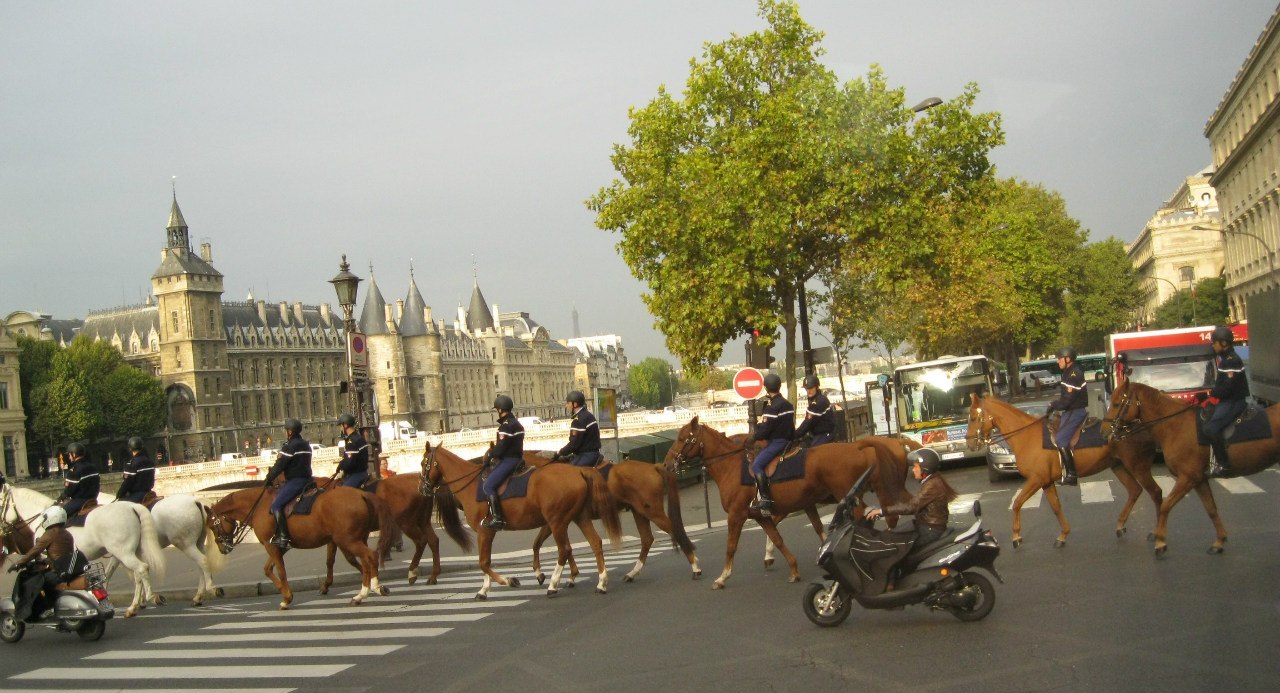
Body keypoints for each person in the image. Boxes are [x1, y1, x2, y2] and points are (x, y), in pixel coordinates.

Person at [6, 506, 86, 621]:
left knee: (35, 582)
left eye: (45, 518)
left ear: (52, 518)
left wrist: (18, 564)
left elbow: (34, 551)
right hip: (68, 568)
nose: (44, 520)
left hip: (58, 571)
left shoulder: (50, 534)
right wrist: (44, 561)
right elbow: (61, 555)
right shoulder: (66, 533)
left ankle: (46, 609)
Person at [865, 448, 958, 545]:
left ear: (925, 468)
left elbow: (911, 507)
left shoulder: (932, 485)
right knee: (889, 535)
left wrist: (882, 511)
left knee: (896, 545)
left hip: (930, 530)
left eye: (915, 467)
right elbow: (914, 504)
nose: (913, 470)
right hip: (924, 525)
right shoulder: (933, 481)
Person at [1201, 325, 1250, 478]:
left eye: (1214, 343)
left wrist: (1212, 393)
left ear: (1224, 343)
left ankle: (1224, 465)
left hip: (1234, 402)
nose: (1213, 345)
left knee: (1211, 429)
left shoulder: (1231, 361)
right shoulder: (1225, 360)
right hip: (1227, 400)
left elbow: (1228, 387)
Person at [263, 418, 313, 550]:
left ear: (290, 432)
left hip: (296, 481)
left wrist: (268, 478)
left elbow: (279, 466)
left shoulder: (290, 446)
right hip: (308, 480)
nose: (285, 432)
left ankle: (284, 536)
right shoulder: (306, 445)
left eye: (286, 430)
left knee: (276, 505)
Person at [749, 373, 794, 515]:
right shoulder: (787, 404)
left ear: (767, 388)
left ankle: (766, 498)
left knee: (756, 465)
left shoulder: (772, 407)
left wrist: (754, 437)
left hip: (777, 442)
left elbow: (766, 430)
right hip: (789, 440)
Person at [480, 395, 524, 530]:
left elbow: (501, 447)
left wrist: (490, 455)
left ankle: (497, 518)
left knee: (488, 486)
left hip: (508, 460)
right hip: (518, 458)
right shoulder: (517, 423)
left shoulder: (505, 426)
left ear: (500, 409)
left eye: (497, 410)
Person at [1047, 346, 1087, 486]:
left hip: (1074, 411)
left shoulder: (1073, 374)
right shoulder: (1068, 372)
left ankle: (1072, 475)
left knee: (1061, 439)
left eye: (1059, 359)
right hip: (1069, 411)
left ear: (1068, 359)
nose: (1058, 361)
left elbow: (1067, 400)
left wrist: (1054, 405)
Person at [556, 390, 601, 467]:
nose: (566, 406)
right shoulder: (587, 415)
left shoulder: (578, 419)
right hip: (592, 453)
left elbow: (574, 444)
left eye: (568, 403)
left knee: (568, 471)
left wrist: (560, 453)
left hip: (586, 455)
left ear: (575, 404)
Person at [794, 374, 837, 447]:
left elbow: (807, 423)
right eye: (806, 389)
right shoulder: (816, 399)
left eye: (811, 388)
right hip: (818, 433)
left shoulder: (819, 401)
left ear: (817, 387)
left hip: (825, 434)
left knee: (813, 452)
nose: (808, 391)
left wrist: (794, 435)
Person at [58, 442, 100, 518]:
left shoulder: (74, 470)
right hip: (93, 500)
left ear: (74, 454)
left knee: (60, 514)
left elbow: (69, 491)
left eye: (69, 455)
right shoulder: (93, 467)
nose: (69, 457)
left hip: (80, 501)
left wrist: (61, 497)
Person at [335, 413, 371, 488]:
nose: (341, 429)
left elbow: (350, 462)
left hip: (356, 474)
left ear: (345, 425)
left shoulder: (351, 442)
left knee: (342, 491)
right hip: (363, 472)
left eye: (341, 426)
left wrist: (341, 466)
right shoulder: (359, 438)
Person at [115, 437, 155, 503]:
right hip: (149, 492)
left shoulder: (131, 464)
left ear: (130, 449)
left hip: (137, 495)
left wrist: (119, 495)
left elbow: (127, 483)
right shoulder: (150, 462)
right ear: (141, 447)